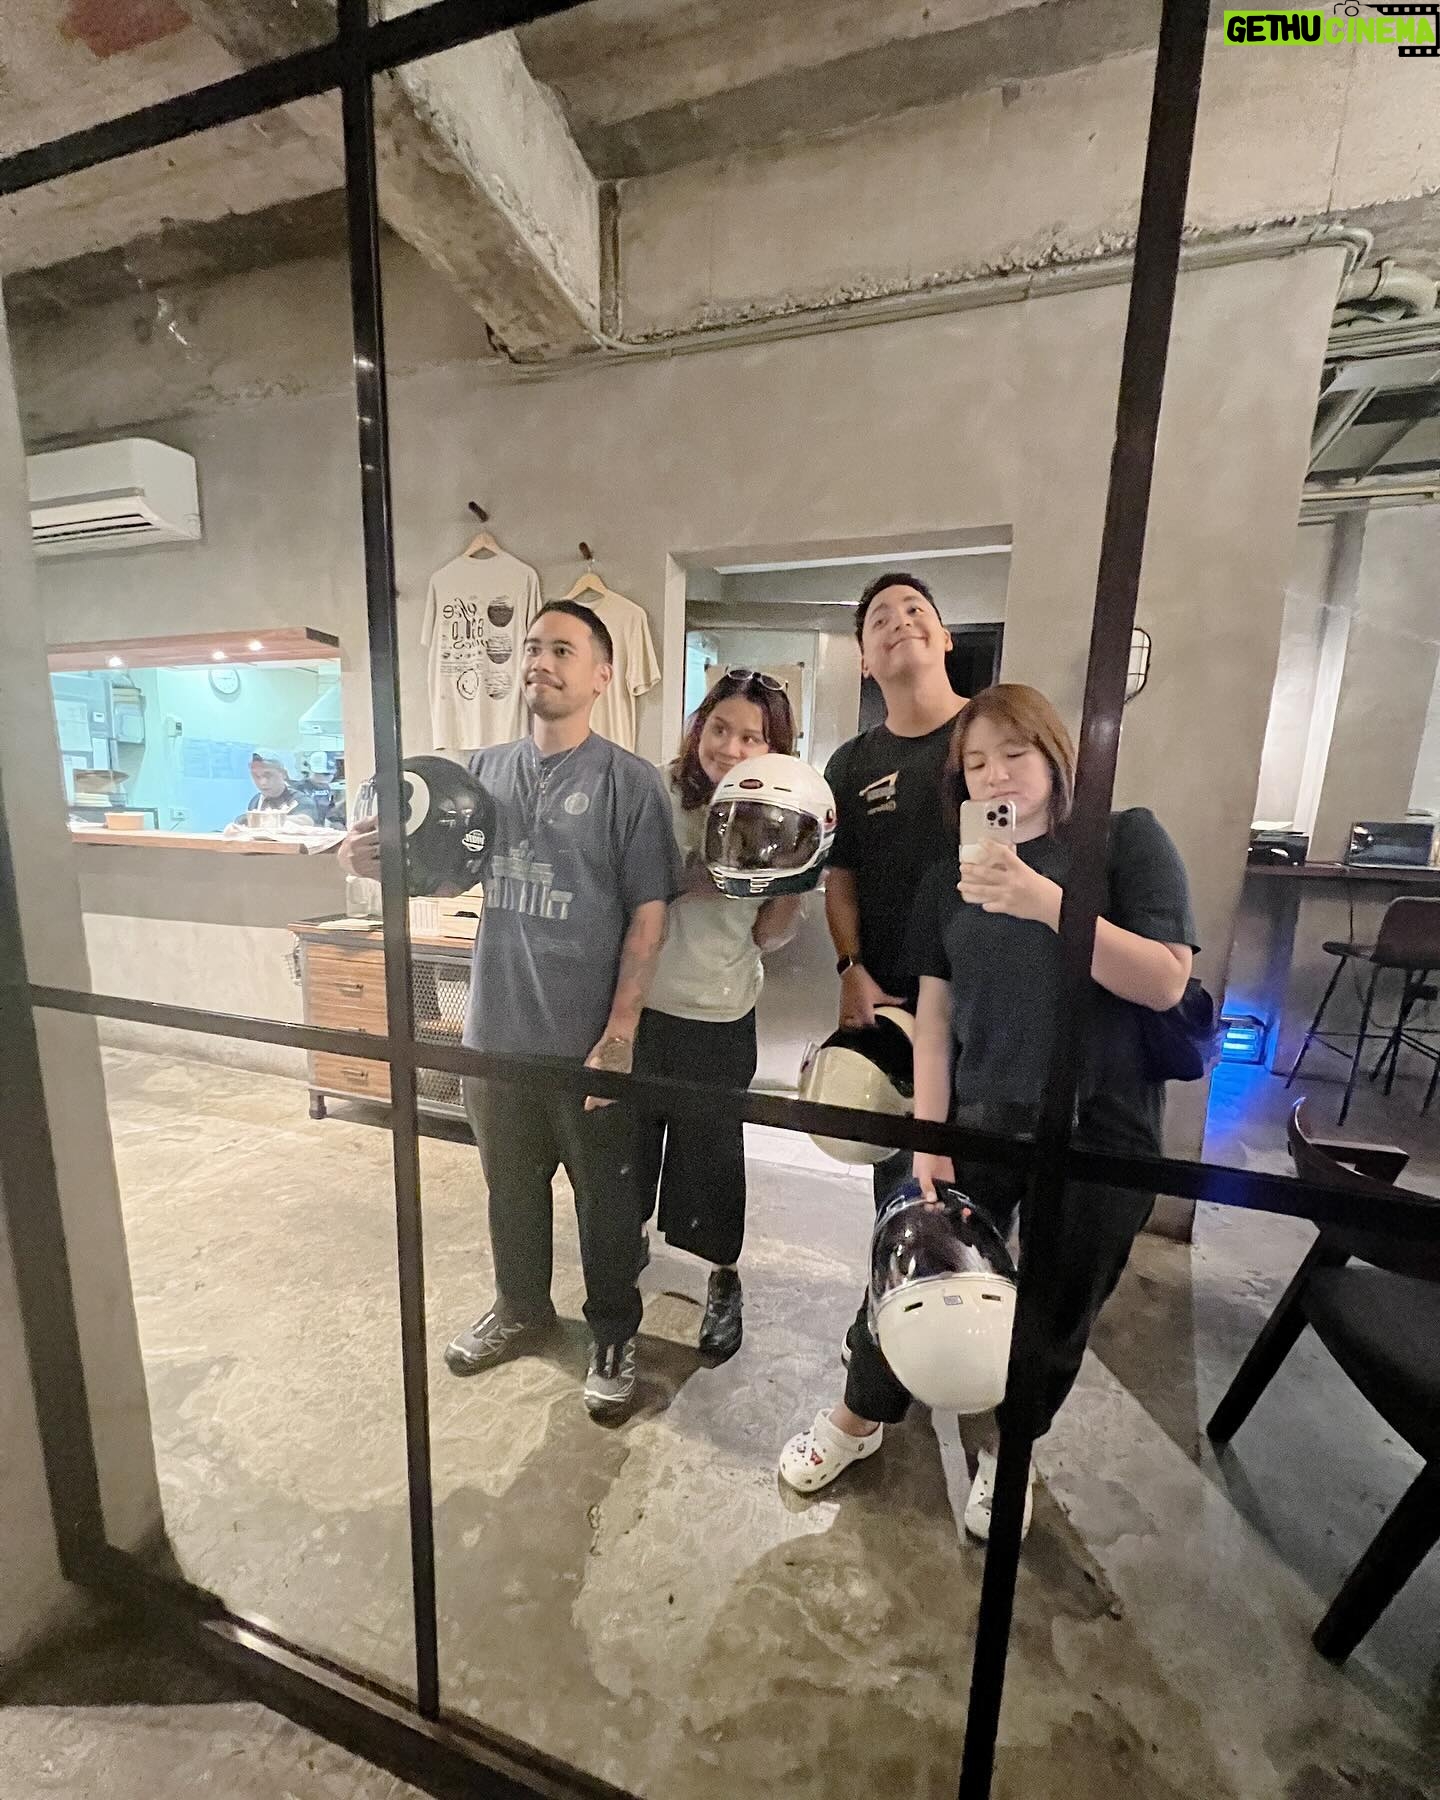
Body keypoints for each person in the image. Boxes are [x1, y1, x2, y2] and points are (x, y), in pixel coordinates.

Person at [780, 684, 1197, 1538]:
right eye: (975, 763)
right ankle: (860, 1418)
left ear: (1055, 756)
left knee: (1058, 1304)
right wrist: (929, 1141)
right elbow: (934, 1023)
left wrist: (1042, 900)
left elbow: (1164, 980)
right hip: (979, 1113)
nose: (996, 774)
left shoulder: (1124, 841)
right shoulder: (951, 877)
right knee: (912, 1271)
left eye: (1014, 752)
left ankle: (1012, 1448)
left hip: (1100, 1122)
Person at [340, 601, 681, 1422]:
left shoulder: (630, 783)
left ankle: (613, 1332)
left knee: (606, 1207)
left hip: (586, 1042)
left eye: (563, 650)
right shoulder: (479, 773)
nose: (541, 662)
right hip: (494, 1032)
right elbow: (436, 869)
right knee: (510, 1192)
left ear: (602, 675)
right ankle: (522, 1308)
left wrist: (621, 1032)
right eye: (533, 647)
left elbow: (649, 915)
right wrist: (368, 858)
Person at [632, 671, 803, 1362]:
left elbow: (769, 935)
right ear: (698, 726)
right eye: (720, 728)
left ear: (773, 748)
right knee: (625, 1151)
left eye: (751, 737)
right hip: (637, 1008)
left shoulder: (779, 811)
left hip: (721, 1012)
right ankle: (622, 1255)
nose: (730, 747)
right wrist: (696, 875)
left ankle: (721, 1279)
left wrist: (793, 881)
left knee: (712, 1160)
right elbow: (617, 885)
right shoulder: (657, 795)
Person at [822, 572, 968, 1204]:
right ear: (864, 660)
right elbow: (841, 878)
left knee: (980, 1193)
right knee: (903, 1190)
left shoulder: (992, 735)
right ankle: (893, 1269)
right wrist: (849, 966)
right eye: (879, 619)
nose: (900, 622)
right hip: (896, 1009)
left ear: (946, 637)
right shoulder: (851, 762)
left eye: (914, 609)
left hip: (983, 1003)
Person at [235, 749, 323, 826]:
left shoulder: (300, 800)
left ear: (283, 774)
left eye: (268, 775)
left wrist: (263, 819)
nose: (262, 782)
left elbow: (306, 821)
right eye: (256, 776)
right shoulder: (256, 801)